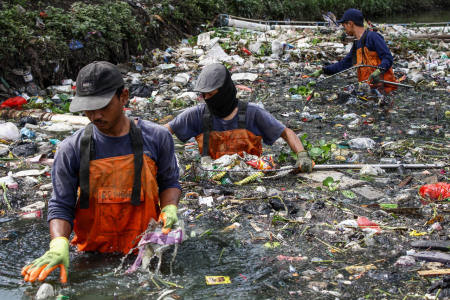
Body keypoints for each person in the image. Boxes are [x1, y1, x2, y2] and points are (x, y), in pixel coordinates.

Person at [21, 61, 181, 283]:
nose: (95, 115)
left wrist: (170, 208)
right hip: (90, 255)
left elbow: (169, 182)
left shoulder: (157, 137)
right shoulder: (70, 149)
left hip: (147, 252)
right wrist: (58, 245)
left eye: (102, 106)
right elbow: (61, 205)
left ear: (123, 96)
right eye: (88, 107)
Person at [164, 63, 314, 172]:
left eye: (212, 94)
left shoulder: (252, 113)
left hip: (250, 176)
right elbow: (164, 131)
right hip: (214, 177)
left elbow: (285, 132)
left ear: (225, 90)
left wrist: (302, 154)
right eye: (204, 95)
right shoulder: (197, 114)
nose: (207, 99)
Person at [310, 8, 397, 93]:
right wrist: (324, 70)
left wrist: (379, 71)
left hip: (385, 89)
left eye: (344, 26)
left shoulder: (373, 37)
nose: (345, 30)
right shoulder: (357, 44)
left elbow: (388, 58)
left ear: (350, 24)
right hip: (368, 90)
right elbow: (344, 64)